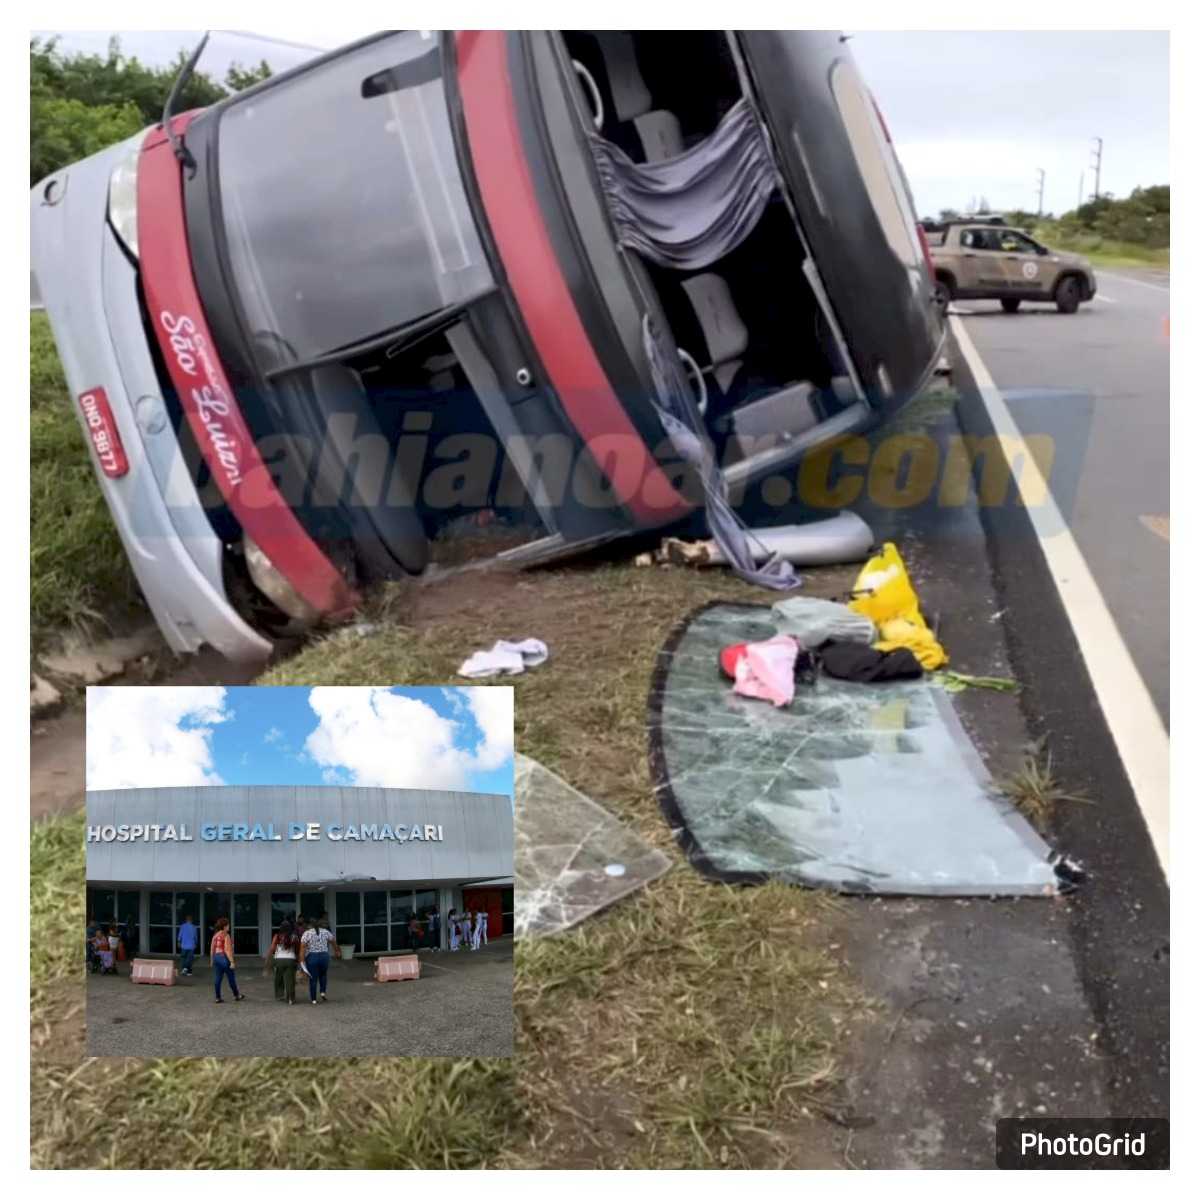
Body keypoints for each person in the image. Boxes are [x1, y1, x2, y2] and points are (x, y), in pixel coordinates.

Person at [300, 917, 340, 1004]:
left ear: (309, 925)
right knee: (323, 975)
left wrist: (302, 961)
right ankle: (322, 992)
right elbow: (333, 941)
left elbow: (302, 948)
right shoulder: (325, 932)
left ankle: (314, 999)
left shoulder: (307, 933)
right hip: (324, 956)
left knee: (313, 978)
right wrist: (337, 951)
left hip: (312, 957)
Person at [210, 916, 243, 1003]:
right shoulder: (226, 935)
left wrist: (212, 960)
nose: (229, 927)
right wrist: (232, 962)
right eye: (228, 925)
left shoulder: (215, 935)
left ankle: (217, 997)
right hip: (224, 958)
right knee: (231, 978)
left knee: (218, 978)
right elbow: (227, 950)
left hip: (216, 958)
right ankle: (237, 995)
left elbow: (212, 949)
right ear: (224, 926)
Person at [267, 919, 299, 1005]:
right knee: (290, 980)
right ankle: (290, 999)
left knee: (279, 977)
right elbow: (297, 949)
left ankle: (279, 995)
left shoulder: (277, 936)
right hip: (290, 960)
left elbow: (272, 949)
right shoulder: (294, 937)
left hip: (279, 960)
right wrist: (297, 959)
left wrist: (272, 957)